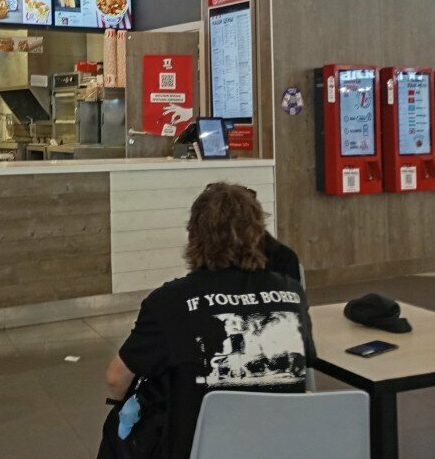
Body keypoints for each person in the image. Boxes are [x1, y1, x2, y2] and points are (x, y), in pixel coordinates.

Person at [102, 182, 316, 459]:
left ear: (194, 236)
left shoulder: (169, 302)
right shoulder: (291, 292)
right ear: (257, 234)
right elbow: (306, 361)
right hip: (281, 448)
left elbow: (115, 379)